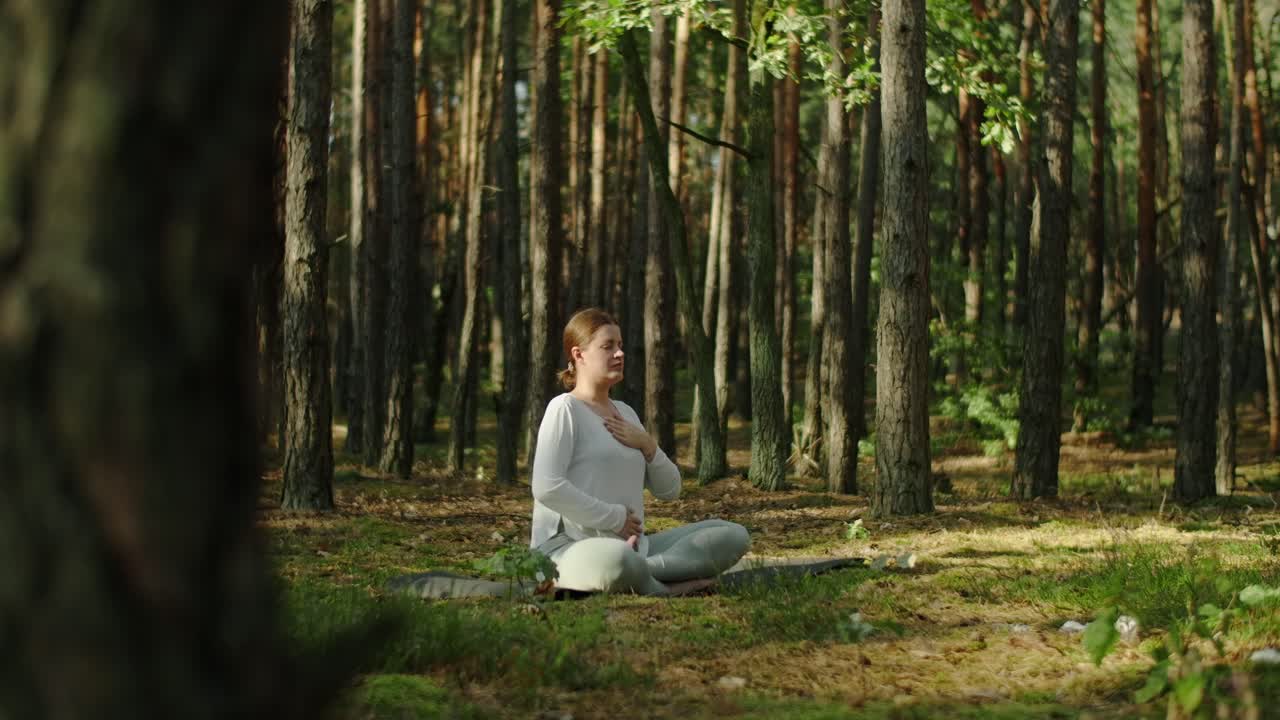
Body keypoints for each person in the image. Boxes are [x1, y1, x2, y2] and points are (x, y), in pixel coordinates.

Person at [530, 308, 750, 595]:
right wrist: (616, 518)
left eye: (620, 345)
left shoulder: (626, 414)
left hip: (637, 548)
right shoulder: (564, 409)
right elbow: (546, 487)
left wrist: (648, 445)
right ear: (578, 355)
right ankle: (667, 586)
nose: (620, 353)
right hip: (567, 549)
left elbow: (670, 490)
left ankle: (644, 574)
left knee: (733, 535)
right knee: (616, 560)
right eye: (608, 346)